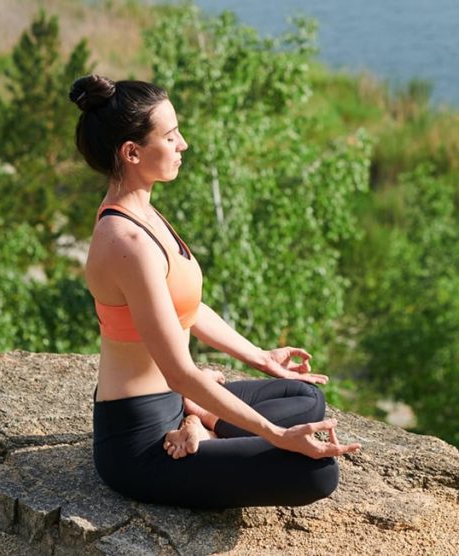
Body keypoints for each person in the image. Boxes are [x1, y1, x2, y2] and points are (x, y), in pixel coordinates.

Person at [70, 75, 361, 509]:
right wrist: (276, 436)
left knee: (305, 397)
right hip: (140, 440)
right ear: (132, 152)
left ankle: (197, 421)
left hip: (175, 401)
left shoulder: (144, 211)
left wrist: (260, 357)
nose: (183, 144)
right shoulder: (125, 242)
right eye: (170, 137)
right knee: (316, 471)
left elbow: (187, 306)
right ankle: (197, 425)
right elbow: (181, 374)